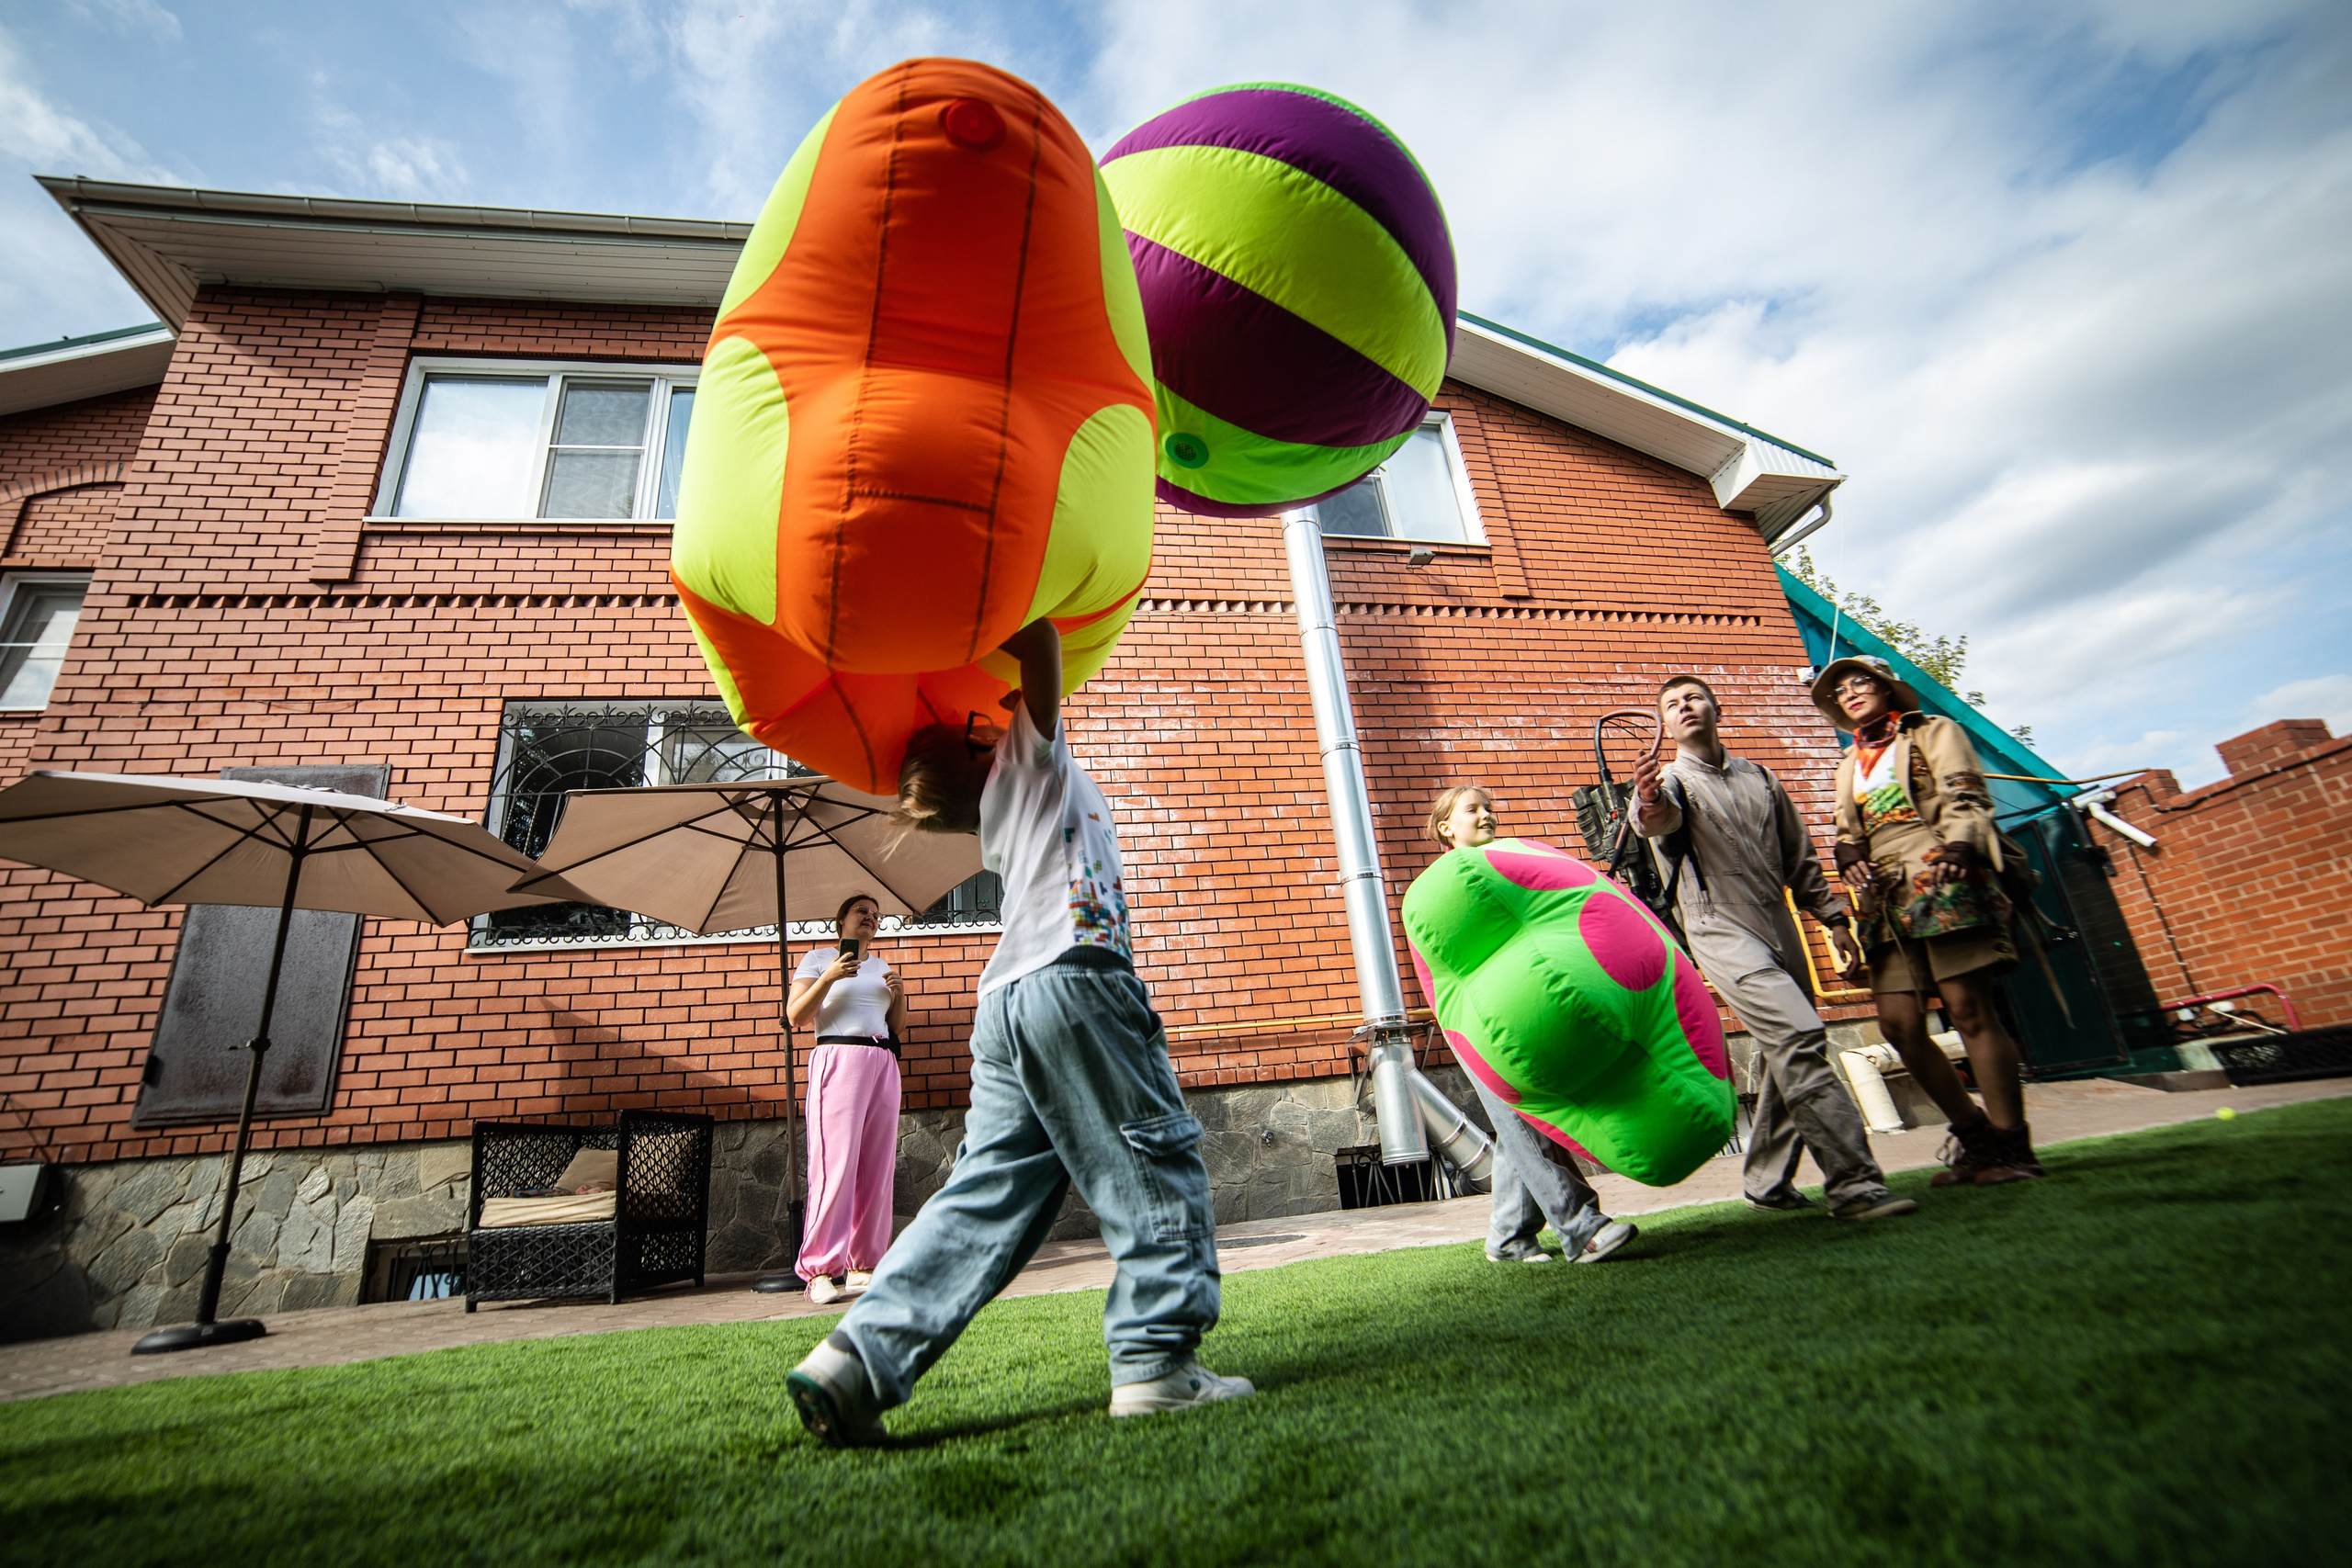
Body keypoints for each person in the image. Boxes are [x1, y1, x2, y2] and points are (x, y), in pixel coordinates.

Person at [786, 619, 1246, 1448]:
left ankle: (857, 1354)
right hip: (1077, 979)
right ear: (981, 750)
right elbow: (1037, 642)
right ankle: (1156, 1363)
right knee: (1148, 1155)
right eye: (980, 727)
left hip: (1007, 1003)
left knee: (989, 1187)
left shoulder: (1003, 805)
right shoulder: (1027, 762)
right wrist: (990, 611)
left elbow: (1017, 698)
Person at [1630, 676, 1917, 1222]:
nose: (1685, 707)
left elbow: (1800, 859)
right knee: (1800, 1034)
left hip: (1779, 921)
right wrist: (1645, 801)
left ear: (1716, 707)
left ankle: (1765, 1179)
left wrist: (1833, 920)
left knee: (1791, 1047)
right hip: (1719, 927)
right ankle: (1854, 1184)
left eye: (1693, 697)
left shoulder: (1761, 778)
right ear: (1665, 726)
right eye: (1672, 705)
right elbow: (1657, 821)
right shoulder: (1667, 781)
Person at [1813, 655, 2043, 1185]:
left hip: (1941, 870)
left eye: (1860, 683)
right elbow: (1848, 827)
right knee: (1898, 1024)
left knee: (1968, 1007)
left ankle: (2013, 1146)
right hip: (1883, 898)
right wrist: (1847, 851)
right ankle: (1976, 1137)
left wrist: (1962, 842)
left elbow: (1966, 794)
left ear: (1887, 688)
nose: (1850, 693)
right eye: (1840, 690)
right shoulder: (1849, 764)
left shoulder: (1932, 731)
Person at [1425, 784, 1640, 1266]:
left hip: (1525, 1012)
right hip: (1480, 1021)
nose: (1487, 815)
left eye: (1490, 807)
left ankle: (1508, 1237)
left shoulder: (1507, 865)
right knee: (1527, 1118)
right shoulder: (1442, 884)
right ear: (1446, 828)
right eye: (1472, 809)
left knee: (1519, 1123)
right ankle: (1581, 1227)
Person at [787, 891, 908, 1306]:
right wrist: (829, 977)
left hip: (882, 1061)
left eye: (876, 915)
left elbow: (895, 1027)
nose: (870, 918)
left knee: (877, 1169)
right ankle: (820, 1269)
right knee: (834, 1166)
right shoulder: (819, 959)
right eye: (862, 911)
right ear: (840, 919)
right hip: (837, 1058)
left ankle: (864, 1267)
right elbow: (796, 1016)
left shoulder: (882, 966)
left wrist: (900, 994)